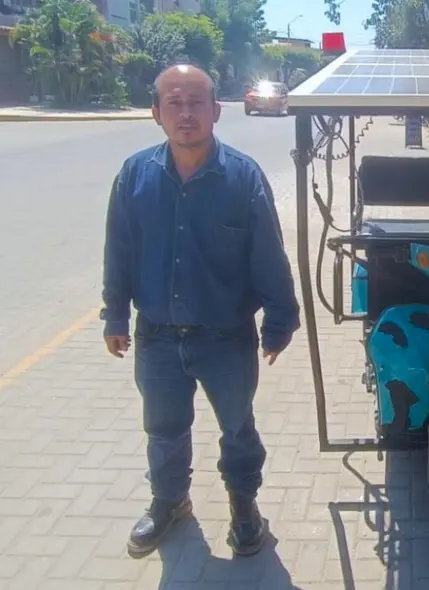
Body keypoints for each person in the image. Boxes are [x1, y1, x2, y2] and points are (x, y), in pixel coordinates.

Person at [100, 63, 300, 558]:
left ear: (215, 110)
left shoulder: (242, 176)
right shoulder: (135, 175)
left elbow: (268, 253)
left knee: (237, 428)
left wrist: (279, 320)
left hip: (226, 337)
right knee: (164, 430)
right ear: (156, 112)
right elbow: (119, 249)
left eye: (195, 103)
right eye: (174, 102)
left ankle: (244, 506)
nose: (185, 113)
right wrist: (115, 316)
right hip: (157, 338)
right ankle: (170, 501)